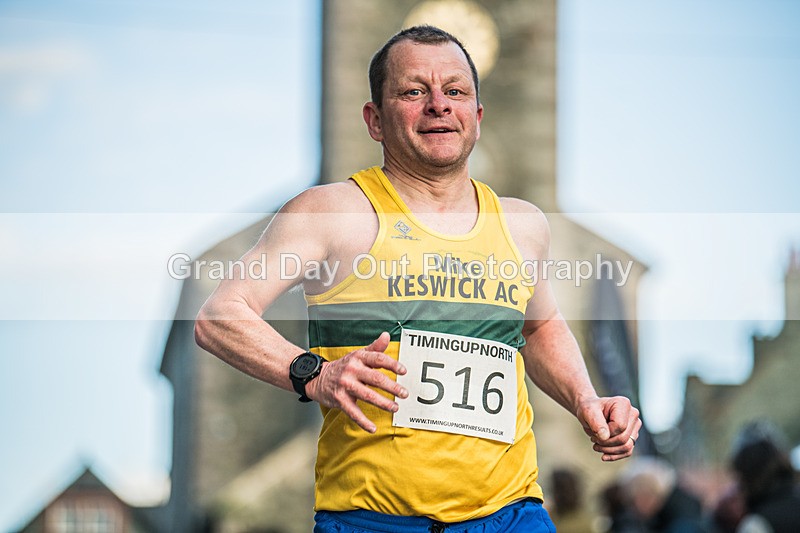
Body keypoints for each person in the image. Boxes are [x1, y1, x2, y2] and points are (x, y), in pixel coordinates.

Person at [195, 25, 641, 532]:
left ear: (477, 116)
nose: (438, 105)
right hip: (375, 520)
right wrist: (313, 373)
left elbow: (539, 327)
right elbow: (218, 316)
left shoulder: (522, 226)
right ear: (374, 120)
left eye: (455, 91)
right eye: (413, 91)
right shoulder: (331, 213)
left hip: (511, 514)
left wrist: (586, 400)